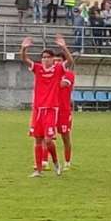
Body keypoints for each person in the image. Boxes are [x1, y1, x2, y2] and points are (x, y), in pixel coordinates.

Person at [20, 34, 73, 178]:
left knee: (49, 140)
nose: (45, 59)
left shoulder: (57, 69)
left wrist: (63, 47)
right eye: (43, 57)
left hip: (51, 109)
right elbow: (24, 59)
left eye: (48, 57)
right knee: (38, 139)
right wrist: (24, 49)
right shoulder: (37, 68)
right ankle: (38, 170)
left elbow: (69, 60)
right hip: (38, 109)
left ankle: (56, 162)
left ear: (52, 59)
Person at [52, 53, 75, 170]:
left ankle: (67, 161)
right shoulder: (51, 74)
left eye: (59, 60)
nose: (56, 63)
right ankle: (45, 161)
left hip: (64, 111)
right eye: (54, 61)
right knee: (47, 136)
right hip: (51, 108)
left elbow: (62, 84)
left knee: (65, 137)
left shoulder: (68, 75)